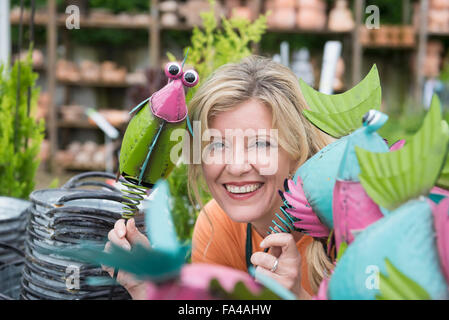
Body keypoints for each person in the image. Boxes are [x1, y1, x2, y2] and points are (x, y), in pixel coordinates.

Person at [104, 55, 334, 300]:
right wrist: (148, 288)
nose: (236, 167)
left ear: (296, 151)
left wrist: (298, 297)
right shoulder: (218, 226)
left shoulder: (345, 224)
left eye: (260, 144)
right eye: (216, 145)